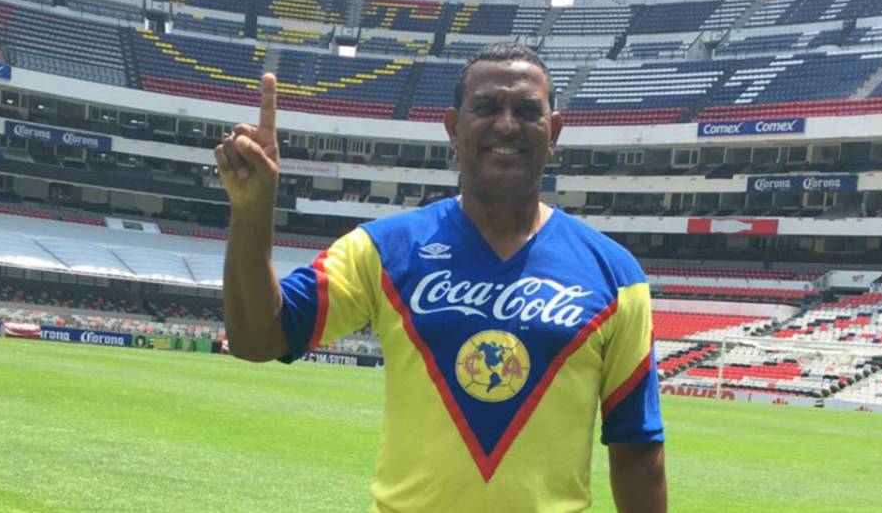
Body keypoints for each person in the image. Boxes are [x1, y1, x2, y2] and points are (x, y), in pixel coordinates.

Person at [214, 43, 667, 512]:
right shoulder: (383, 249)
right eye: (486, 107)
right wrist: (251, 209)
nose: (506, 124)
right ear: (453, 128)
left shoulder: (616, 277)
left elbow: (637, 446)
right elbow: (257, 338)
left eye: (527, 110)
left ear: (553, 131)